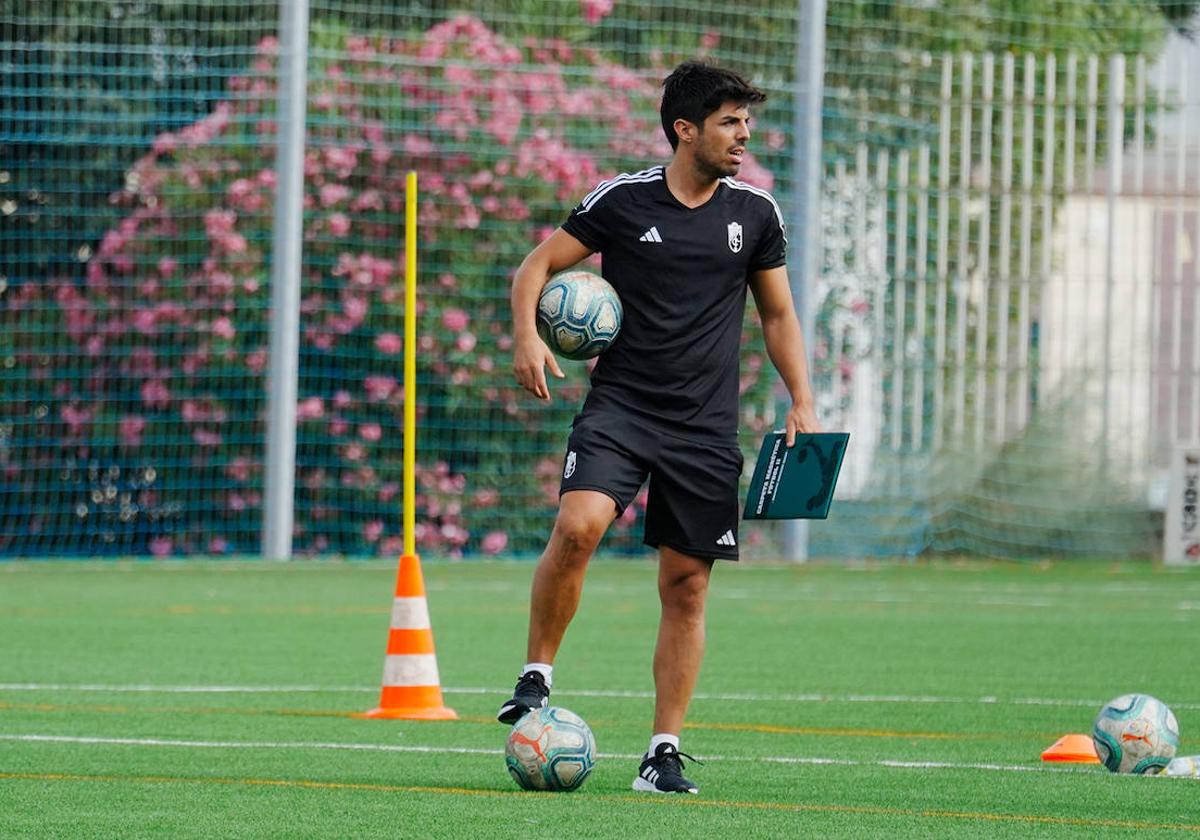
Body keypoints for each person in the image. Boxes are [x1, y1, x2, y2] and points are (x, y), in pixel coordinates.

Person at [498, 60, 820, 794]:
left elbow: (778, 314)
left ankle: (662, 753)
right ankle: (536, 674)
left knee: (687, 588)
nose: (745, 135)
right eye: (730, 122)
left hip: (705, 430)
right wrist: (527, 334)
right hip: (621, 411)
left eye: (747, 121)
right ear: (685, 129)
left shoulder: (755, 214)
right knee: (578, 526)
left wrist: (801, 397)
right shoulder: (622, 200)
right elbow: (536, 267)